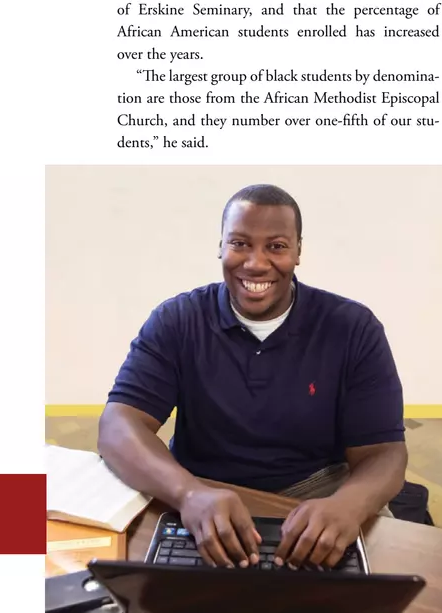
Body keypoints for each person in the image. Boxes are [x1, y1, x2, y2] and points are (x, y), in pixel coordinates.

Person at [97, 184, 408, 570]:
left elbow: (384, 453)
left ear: (298, 251)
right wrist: (189, 494)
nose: (256, 263)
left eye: (276, 246)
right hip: (201, 491)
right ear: (221, 247)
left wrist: (347, 505)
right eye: (240, 243)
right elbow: (118, 425)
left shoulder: (352, 327)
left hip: (319, 493)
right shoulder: (177, 320)